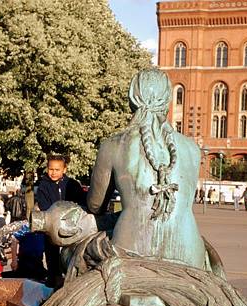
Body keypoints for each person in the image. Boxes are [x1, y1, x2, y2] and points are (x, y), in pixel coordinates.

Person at [87, 69, 207, 270]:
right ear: (167, 99)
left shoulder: (113, 145)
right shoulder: (192, 148)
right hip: (189, 254)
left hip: (129, 250)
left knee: (82, 254)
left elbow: (95, 205)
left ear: (132, 98)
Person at [35, 154, 86, 288]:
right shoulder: (43, 186)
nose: (53, 172)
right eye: (51, 169)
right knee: (51, 253)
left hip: (70, 224)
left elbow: (81, 202)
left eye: (57, 170)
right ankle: (53, 278)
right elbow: (43, 204)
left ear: (64, 169)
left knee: (72, 251)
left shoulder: (72, 184)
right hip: (51, 227)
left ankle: (70, 276)